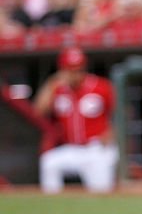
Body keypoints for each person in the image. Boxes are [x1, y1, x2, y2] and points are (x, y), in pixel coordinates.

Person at [33, 47, 118, 193]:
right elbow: (38, 111)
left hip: (97, 148)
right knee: (49, 162)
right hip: (72, 149)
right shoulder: (58, 88)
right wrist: (52, 83)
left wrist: (113, 132)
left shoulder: (101, 86)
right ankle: (53, 206)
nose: (75, 74)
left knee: (101, 193)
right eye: (70, 70)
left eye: (78, 69)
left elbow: (122, 112)